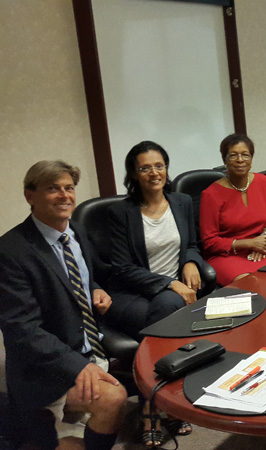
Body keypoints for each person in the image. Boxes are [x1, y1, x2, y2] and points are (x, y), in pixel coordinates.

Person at [0, 161, 127, 450]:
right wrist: (77, 367)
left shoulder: (76, 232)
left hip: (85, 346)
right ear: (29, 196)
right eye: (52, 188)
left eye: (68, 188)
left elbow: (81, 280)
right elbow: (23, 330)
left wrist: (96, 289)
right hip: (42, 368)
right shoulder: (10, 252)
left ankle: (68, 428)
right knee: (113, 398)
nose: (64, 195)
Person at [104, 141, 199, 445]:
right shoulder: (121, 212)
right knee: (169, 313)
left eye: (159, 165)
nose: (154, 173)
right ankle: (158, 402)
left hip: (170, 293)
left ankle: (152, 400)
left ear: (167, 169)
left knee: (167, 311)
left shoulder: (182, 202)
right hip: (131, 294)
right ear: (133, 173)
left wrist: (190, 262)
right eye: (145, 168)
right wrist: (170, 283)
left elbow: (192, 245)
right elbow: (121, 268)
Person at [200, 134, 266, 285]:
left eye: (245, 155)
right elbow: (209, 242)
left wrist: (262, 241)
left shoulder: (263, 182)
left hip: (260, 251)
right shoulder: (210, 195)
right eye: (233, 155)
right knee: (252, 286)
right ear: (225, 161)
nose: (240, 160)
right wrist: (249, 244)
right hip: (226, 256)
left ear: (251, 160)